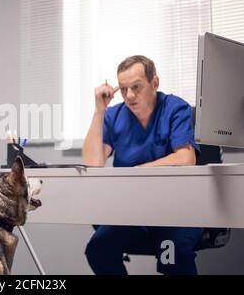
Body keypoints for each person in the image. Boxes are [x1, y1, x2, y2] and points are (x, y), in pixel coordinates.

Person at [82, 55, 202, 275]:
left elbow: (186, 158)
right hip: (133, 212)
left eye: (136, 87)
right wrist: (99, 111)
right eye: (124, 89)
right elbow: (92, 164)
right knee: (99, 250)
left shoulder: (175, 109)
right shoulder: (114, 116)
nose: (129, 96)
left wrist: (139, 172)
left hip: (176, 212)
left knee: (173, 256)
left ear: (154, 83)